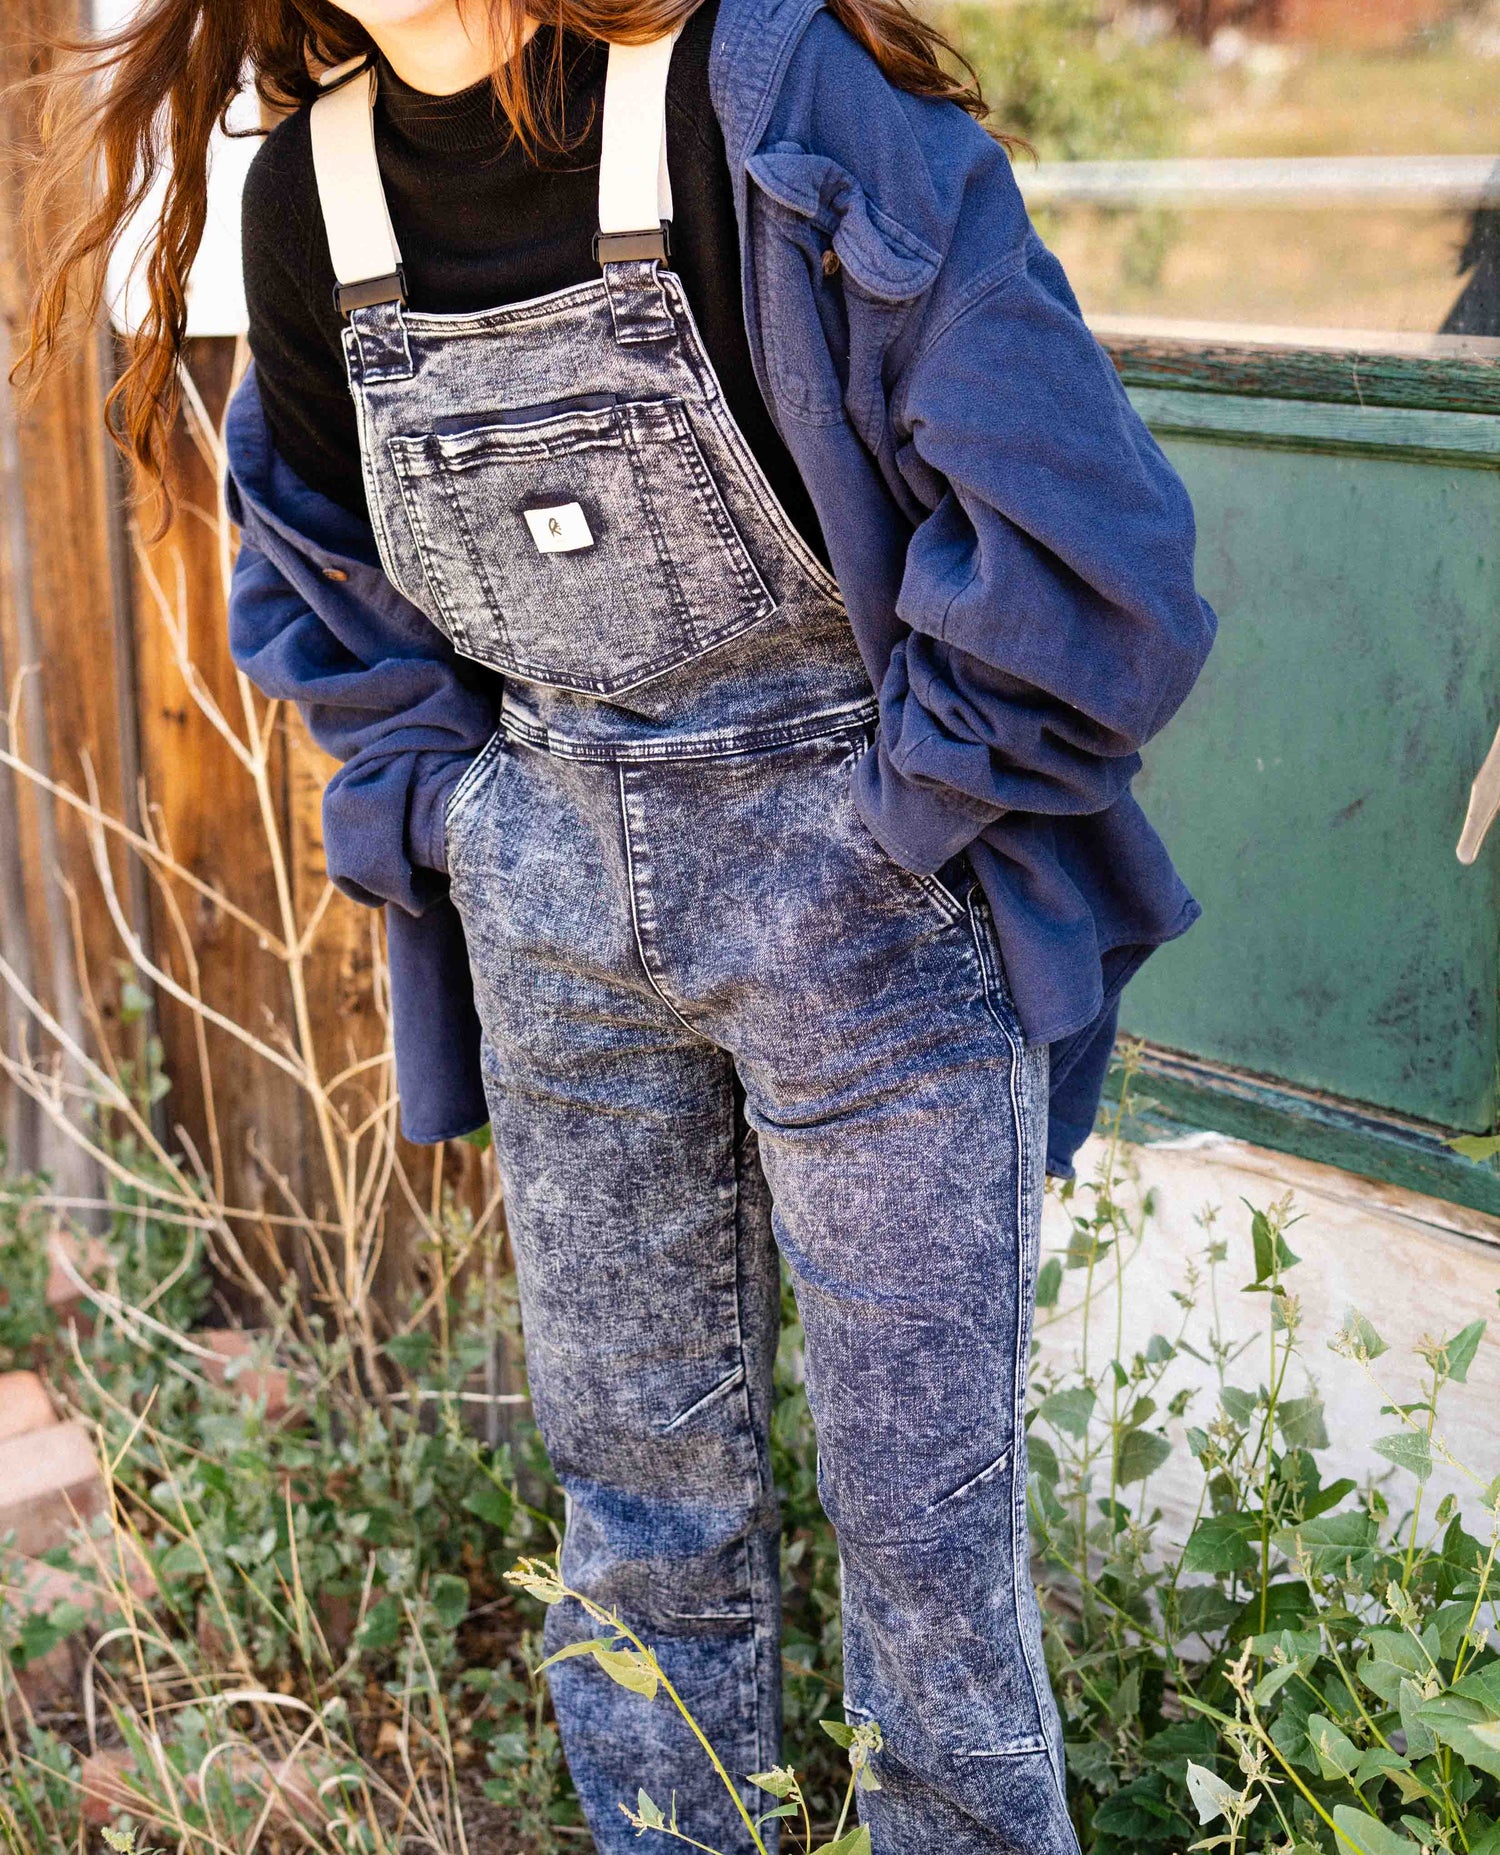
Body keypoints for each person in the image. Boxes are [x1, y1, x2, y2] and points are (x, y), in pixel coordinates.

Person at [23, 0, 1215, 1846]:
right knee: (640, 1516)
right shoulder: (313, 199)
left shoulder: (769, 88)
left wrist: (902, 816)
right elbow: (317, 571)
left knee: (926, 1547)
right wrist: (468, 816)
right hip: (551, 905)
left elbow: (1091, 536)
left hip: (864, 909)